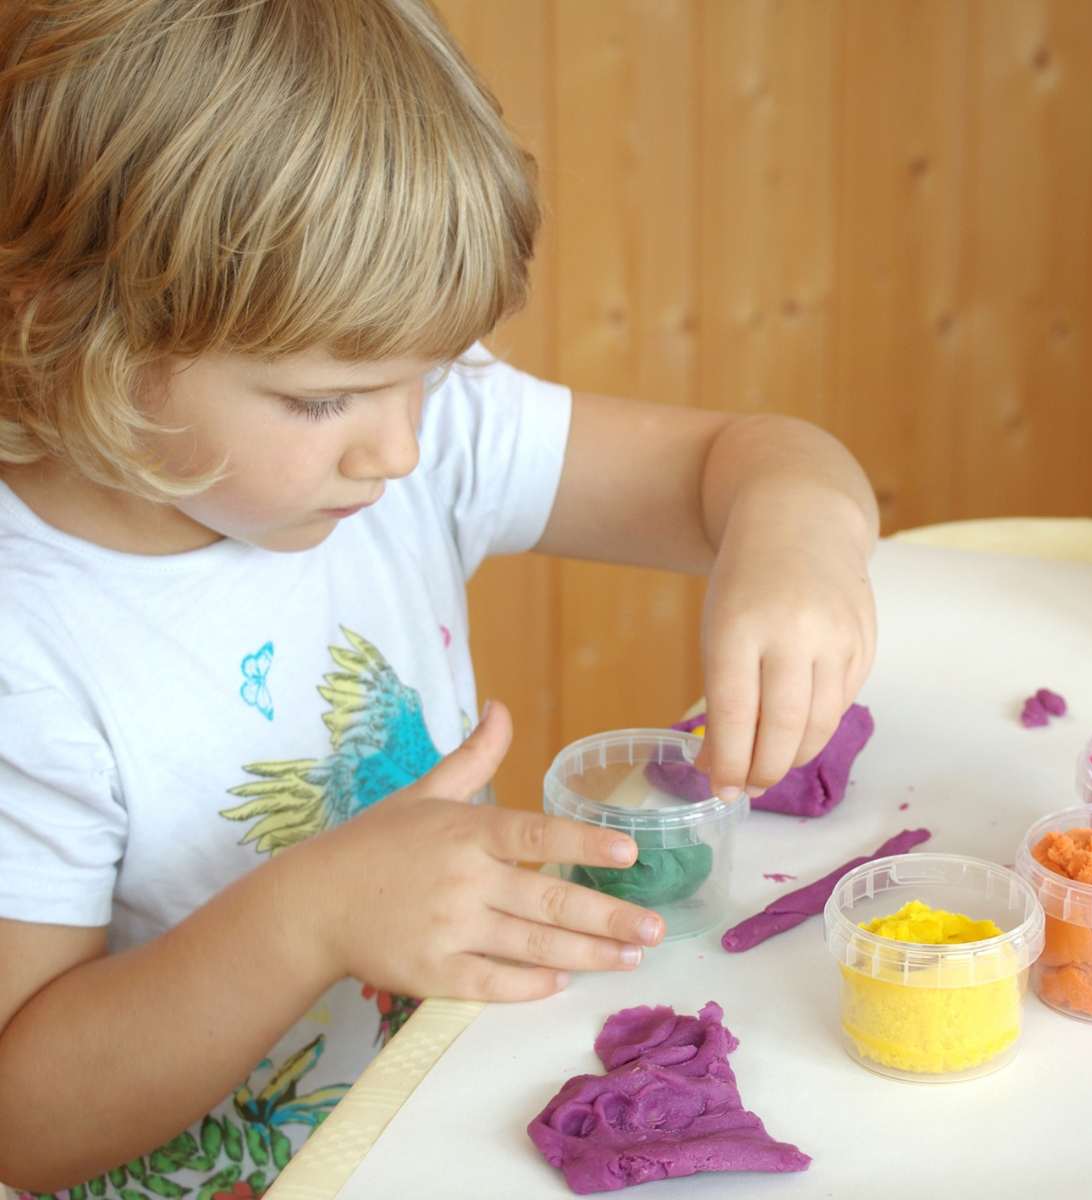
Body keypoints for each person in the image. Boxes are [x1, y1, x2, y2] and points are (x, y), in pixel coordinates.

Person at [0, 0, 878, 1192]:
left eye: (430, 372)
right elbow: (25, 1120)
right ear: (63, 329)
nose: (403, 449)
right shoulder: (29, 644)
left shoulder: (410, 428)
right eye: (324, 400)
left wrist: (799, 532)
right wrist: (309, 919)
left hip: (439, 1132)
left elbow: (751, 459)